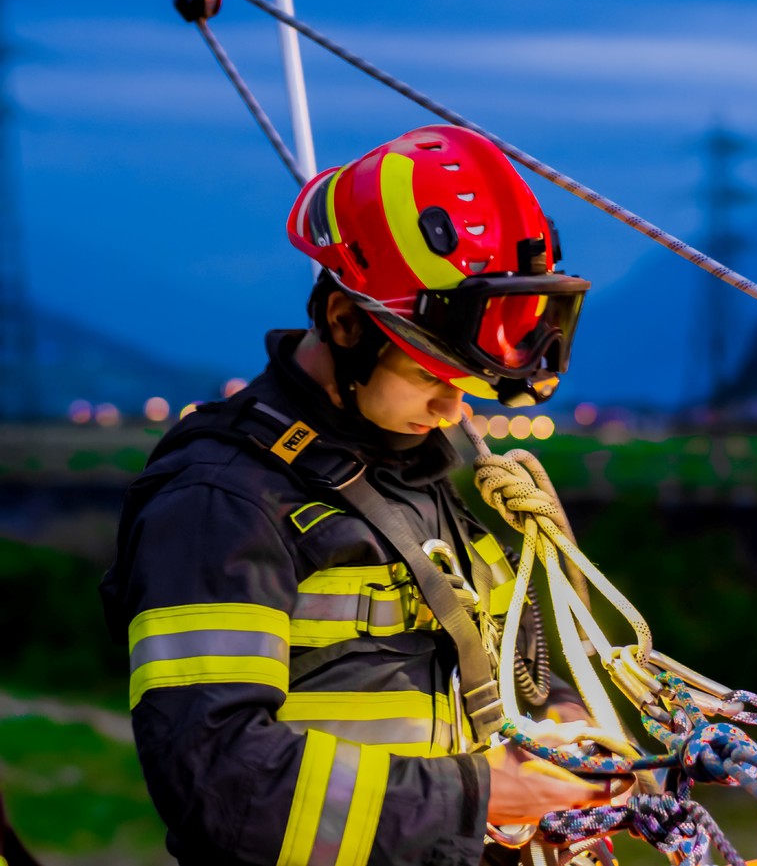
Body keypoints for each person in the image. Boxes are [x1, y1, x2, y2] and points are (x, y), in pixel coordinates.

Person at [100, 124, 607, 866]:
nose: (452, 411)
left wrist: (561, 729)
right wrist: (478, 797)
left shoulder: (415, 472)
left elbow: (506, 671)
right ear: (343, 320)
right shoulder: (221, 499)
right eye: (432, 376)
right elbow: (218, 780)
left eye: (469, 385)